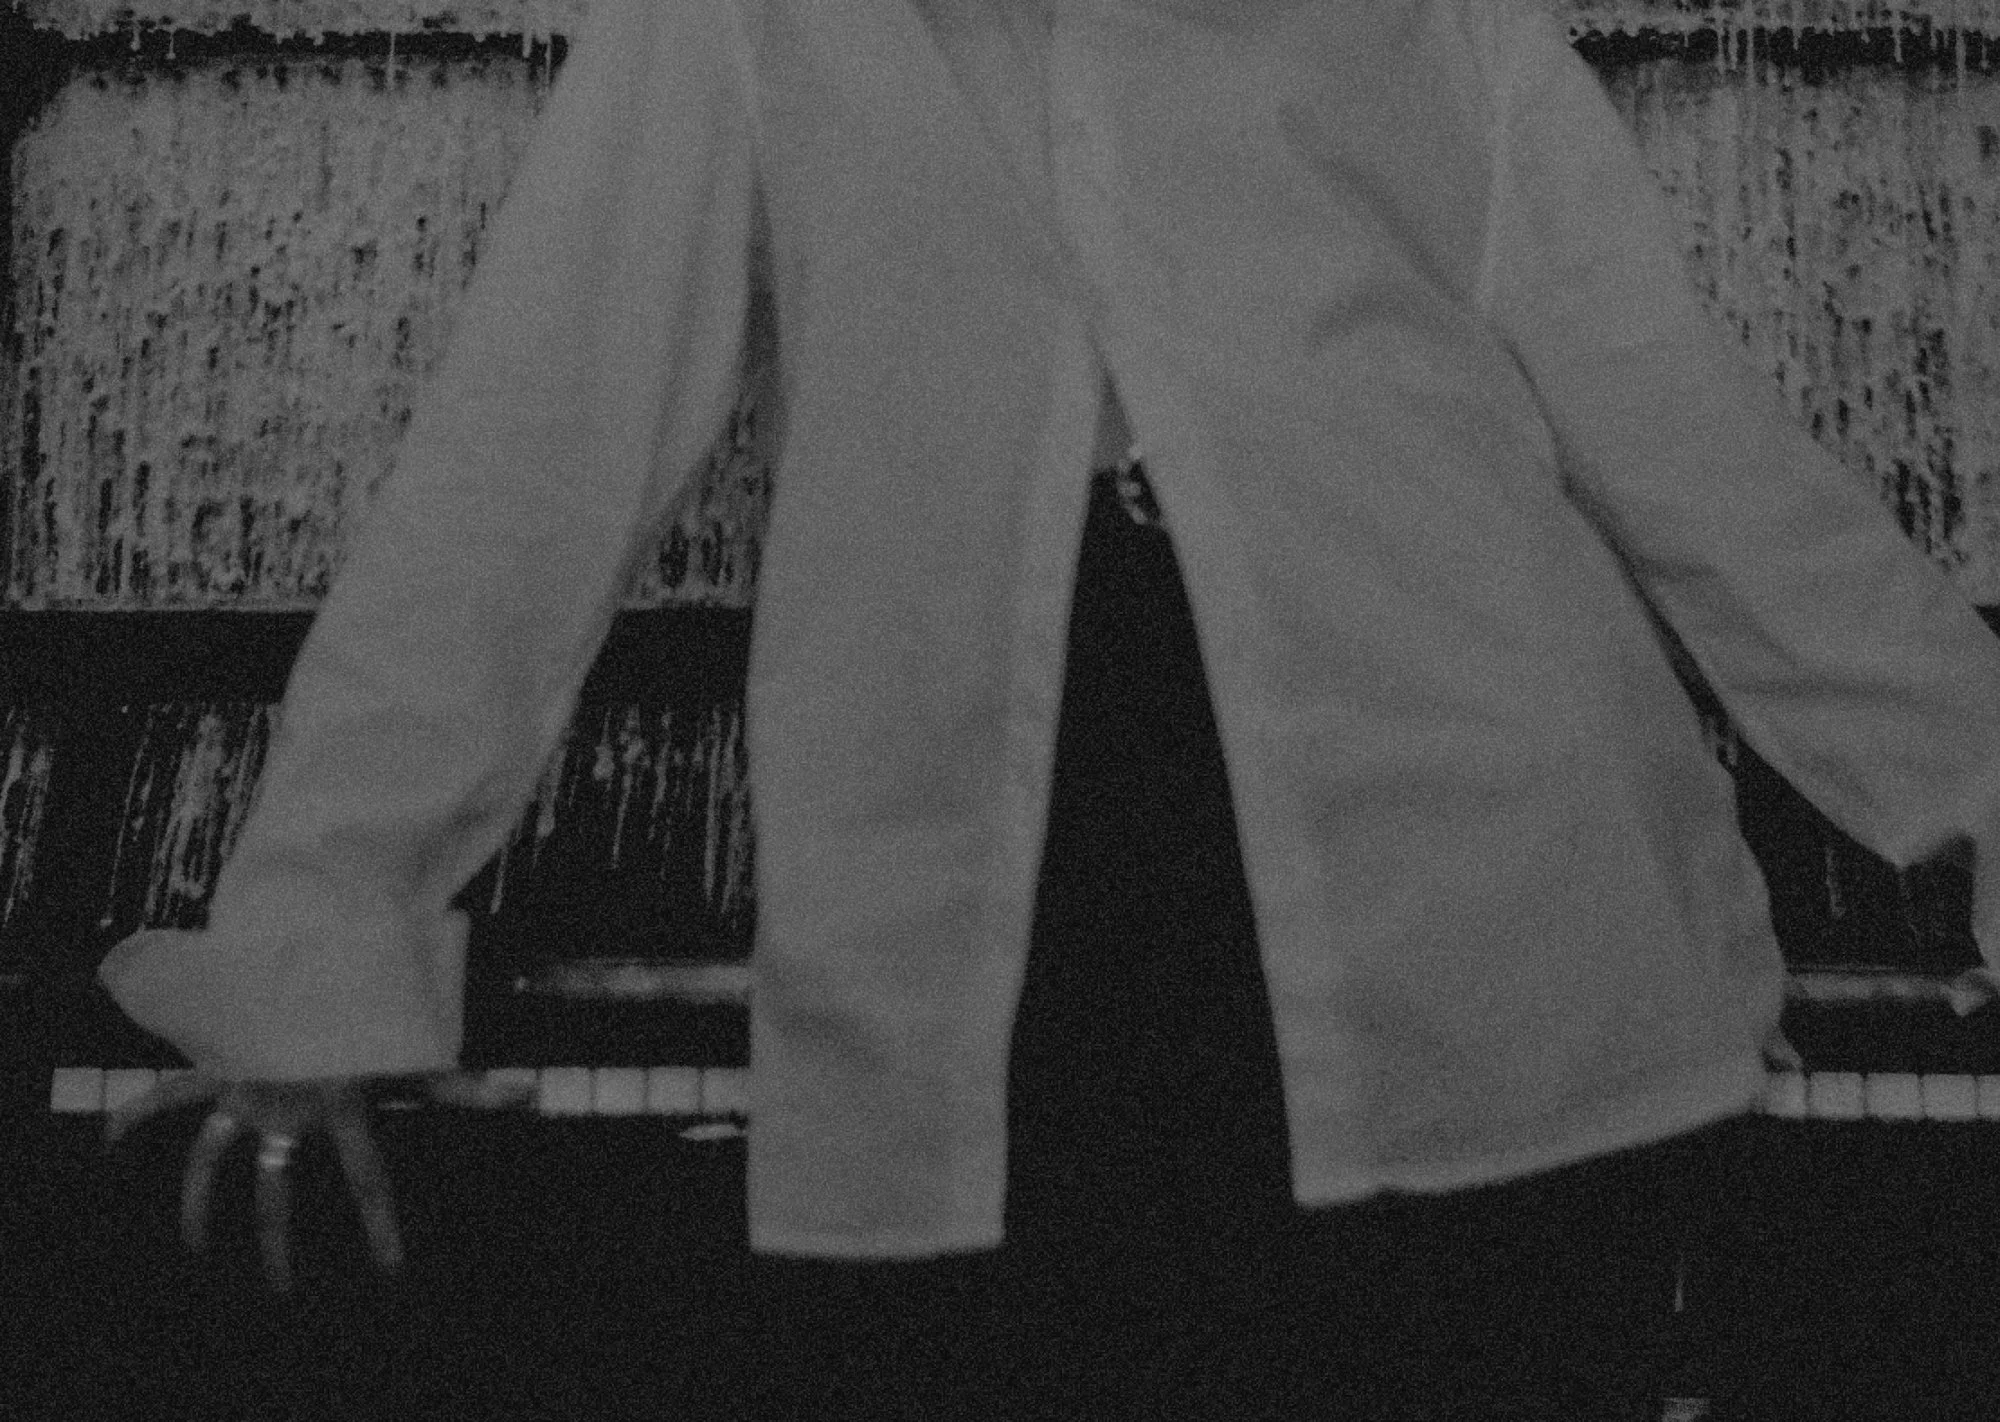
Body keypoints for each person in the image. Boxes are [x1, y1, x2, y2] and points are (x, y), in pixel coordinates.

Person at [98, 0, 2000, 1416]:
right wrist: (318, 926)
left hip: (1495, 914)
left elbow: (1694, 448)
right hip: (1001, 940)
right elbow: (530, 463)